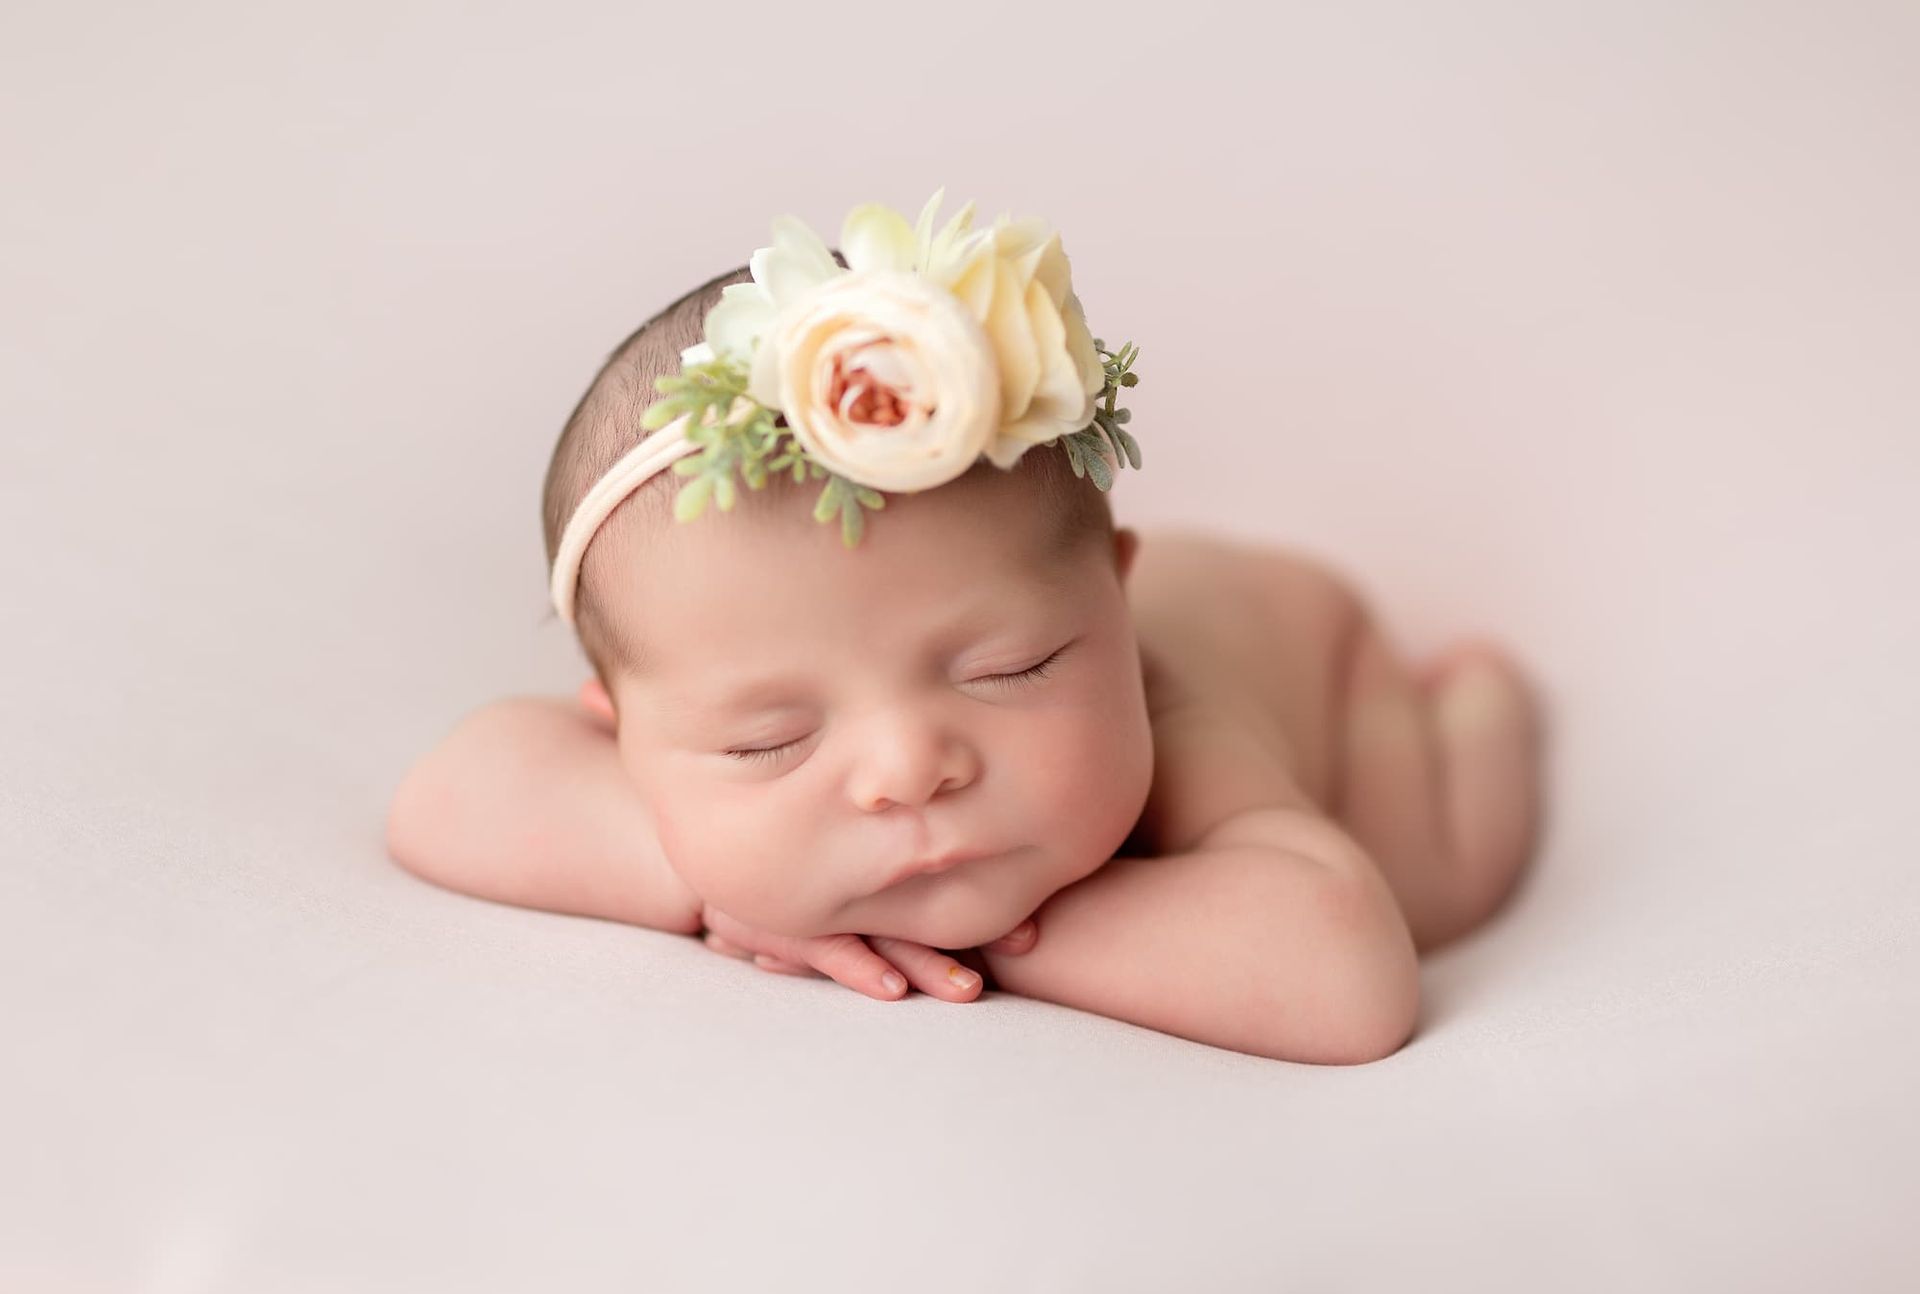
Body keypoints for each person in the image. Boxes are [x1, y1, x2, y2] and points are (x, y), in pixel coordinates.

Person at [384, 189, 1545, 1064]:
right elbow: (446, 793)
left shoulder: (1178, 721)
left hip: (1322, 658)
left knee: (1431, 887)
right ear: (623, 730)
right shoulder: (692, 737)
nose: (907, 771)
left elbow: (1348, 981)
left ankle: (1476, 704)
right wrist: (708, 877)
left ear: (1115, 613)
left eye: (1012, 669)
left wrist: (967, 943)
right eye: (768, 740)